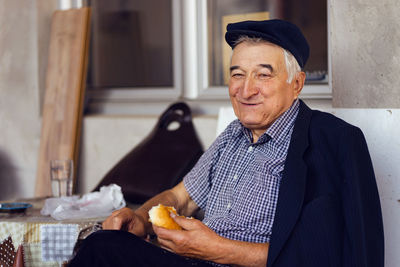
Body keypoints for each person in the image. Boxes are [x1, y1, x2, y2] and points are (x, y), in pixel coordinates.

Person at [69, 19, 384, 267]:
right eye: (237, 75)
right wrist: (140, 219)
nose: (246, 90)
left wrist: (219, 250)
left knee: (103, 250)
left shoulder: (328, 141)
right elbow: (180, 199)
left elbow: (322, 256)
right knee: (102, 243)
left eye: (263, 75)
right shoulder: (232, 137)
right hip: (192, 261)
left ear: (296, 83)